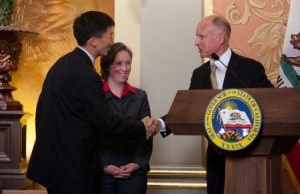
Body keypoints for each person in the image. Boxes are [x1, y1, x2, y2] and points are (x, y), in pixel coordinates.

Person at [26, 11, 159, 194]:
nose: (111, 40)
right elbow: (106, 123)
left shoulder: (61, 65)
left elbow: (41, 112)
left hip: (55, 165)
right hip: (72, 168)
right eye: (109, 35)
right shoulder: (86, 75)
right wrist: (142, 128)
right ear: (94, 41)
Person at [191, 15, 274, 194]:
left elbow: (273, 105)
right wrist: (162, 124)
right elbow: (189, 110)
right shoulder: (199, 74)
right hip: (215, 160)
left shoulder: (250, 69)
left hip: (249, 159)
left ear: (220, 38)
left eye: (201, 37)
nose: (195, 42)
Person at [97, 42, 152, 194]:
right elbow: (89, 134)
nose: (125, 68)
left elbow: (147, 134)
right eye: (119, 63)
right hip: (102, 173)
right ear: (108, 66)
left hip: (134, 174)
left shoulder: (140, 96)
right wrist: (104, 165)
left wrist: (137, 163)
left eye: (128, 63)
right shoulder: (96, 95)